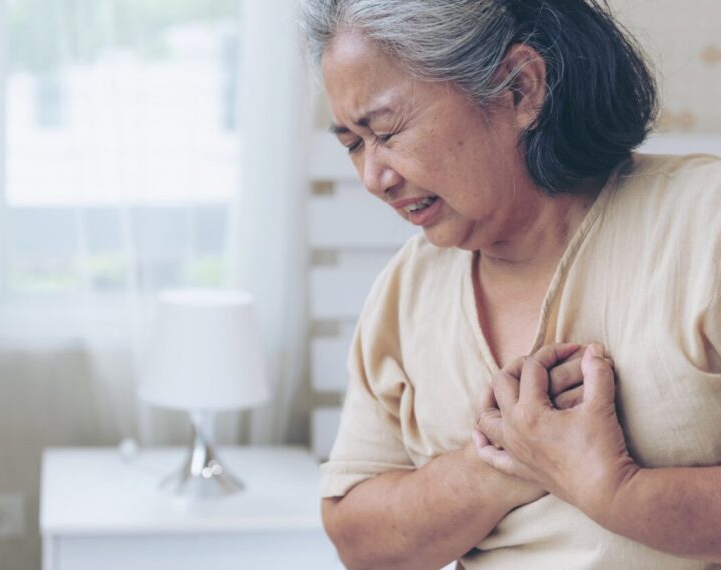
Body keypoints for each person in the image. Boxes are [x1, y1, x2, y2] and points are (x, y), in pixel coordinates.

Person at [297, 1, 721, 568]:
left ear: (520, 88)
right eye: (353, 143)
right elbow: (358, 541)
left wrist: (617, 491)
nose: (374, 178)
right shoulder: (407, 288)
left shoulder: (705, 225)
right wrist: (501, 458)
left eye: (386, 130)